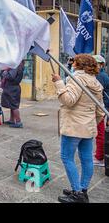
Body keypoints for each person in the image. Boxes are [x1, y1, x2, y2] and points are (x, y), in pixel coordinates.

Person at [52, 54, 105, 203]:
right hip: (87, 127)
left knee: (67, 157)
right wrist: (90, 122)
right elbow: (100, 111)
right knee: (86, 159)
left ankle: (77, 193)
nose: (71, 63)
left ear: (78, 64)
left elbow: (68, 101)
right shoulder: (95, 82)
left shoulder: (76, 79)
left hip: (74, 127)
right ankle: (82, 189)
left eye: (74, 61)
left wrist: (58, 83)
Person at [93, 55, 109, 167]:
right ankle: (99, 154)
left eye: (96, 63)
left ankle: (99, 158)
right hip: (102, 107)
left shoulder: (100, 76)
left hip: (101, 108)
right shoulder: (100, 75)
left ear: (101, 65)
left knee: (99, 132)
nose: (93, 65)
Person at [0, 61, 25, 128]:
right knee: (12, 105)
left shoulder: (15, 67)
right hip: (11, 87)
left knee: (14, 105)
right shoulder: (16, 66)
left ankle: (18, 122)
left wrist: (4, 72)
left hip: (12, 88)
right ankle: (12, 120)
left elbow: (10, 76)